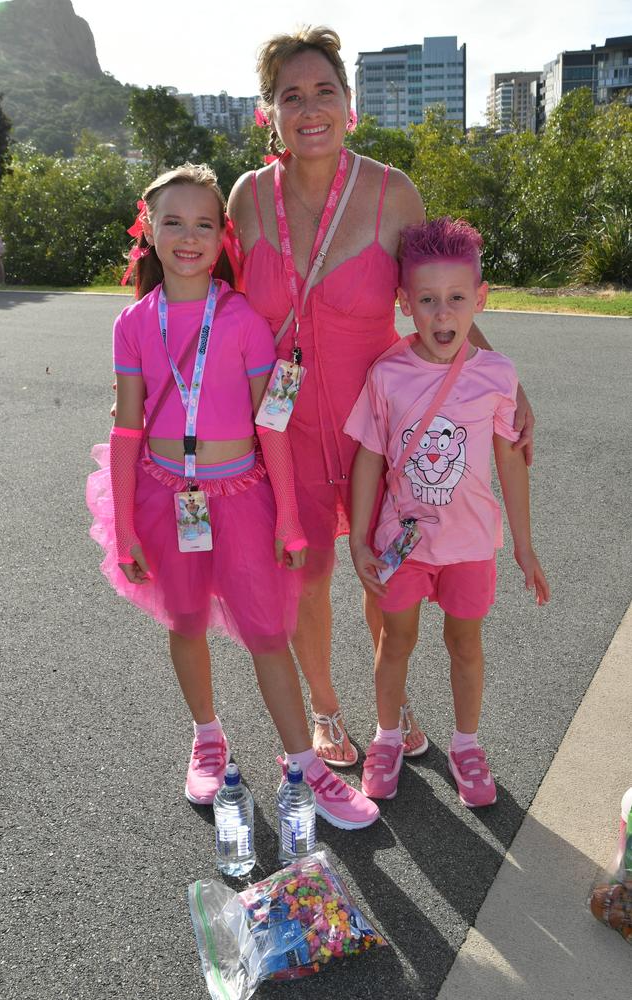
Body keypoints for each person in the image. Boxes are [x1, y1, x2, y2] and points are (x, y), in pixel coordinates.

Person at [227, 26, 535, 767]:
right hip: (283, 429)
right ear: (269, 111)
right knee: (307, 576)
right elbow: (216, 309)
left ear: (348, 103)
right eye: (290, 95)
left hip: (379, 428)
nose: (309, 108)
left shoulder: (393, 192)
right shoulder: (246, 200)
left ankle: (388, 714)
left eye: (323, 91)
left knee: (382, 566)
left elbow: (443, 303)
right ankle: (327, 711)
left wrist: (506, 383)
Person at [86, 163, 378, 831]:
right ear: (150, 233)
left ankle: (304, 761)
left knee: (267, 634)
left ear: (223, 237)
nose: (188, 237)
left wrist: (289, 518)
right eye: (173, 222)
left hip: (242, 496)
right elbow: (126, 428)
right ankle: (208, 736)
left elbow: (269, 422)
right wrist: (126, 525)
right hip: (166, 497)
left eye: (204, 224)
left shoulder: (241, 318)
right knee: (185, 621)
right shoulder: (133, 324)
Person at [344, 217, 550, 805]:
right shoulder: (388, 373)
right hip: (400, 542)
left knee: (465, 644)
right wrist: (359, 539)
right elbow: (368, 459)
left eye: (457, 300)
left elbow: (511, 461)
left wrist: (524, 545)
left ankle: (466, 744)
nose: (442, 315)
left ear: (479, 300)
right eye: (427, 300)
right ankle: (387, 737)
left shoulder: (497, 374)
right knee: (396, 641)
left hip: (469, 545)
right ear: (404, 302)